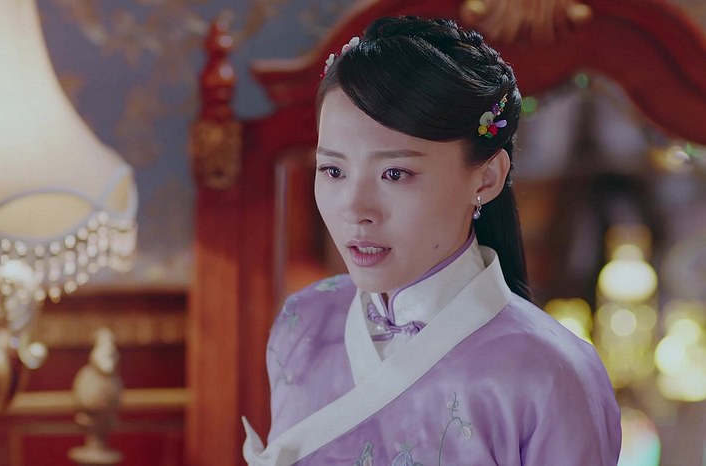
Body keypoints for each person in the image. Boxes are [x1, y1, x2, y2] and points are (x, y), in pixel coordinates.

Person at [242, 16, 621, 466]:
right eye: (333, 170)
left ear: (486, 178)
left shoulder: (552, 373)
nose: (355, 209)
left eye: (395, 173)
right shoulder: (304, 322)